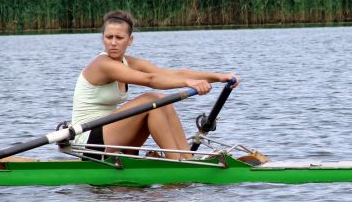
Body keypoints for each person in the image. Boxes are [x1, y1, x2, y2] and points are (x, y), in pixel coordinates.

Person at [71, 10, 238, 160]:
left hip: (109, 135)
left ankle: (187, 158)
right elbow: (150, 80)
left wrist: (219, 77)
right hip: (88, 141)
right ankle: (178, 162)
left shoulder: (128, 62)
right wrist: (188, 83)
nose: (113, 43)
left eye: (119, 38)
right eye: (109, 37)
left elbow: (170, 74)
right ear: (103, 38)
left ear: (130, 40)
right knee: (152, 100)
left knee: (162, 101)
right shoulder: (102, 64)